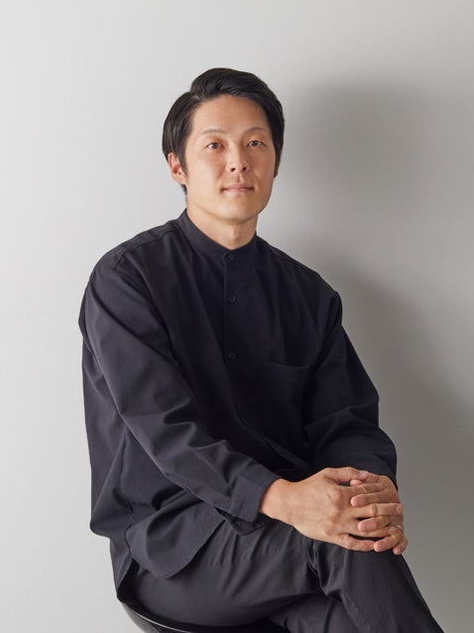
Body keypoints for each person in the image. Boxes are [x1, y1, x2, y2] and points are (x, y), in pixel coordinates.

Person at [79, 68, 443, 632]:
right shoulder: (127, 280)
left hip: (289, 541)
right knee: (345, 544)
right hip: (174, 547)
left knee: (351, 580)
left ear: (275, 161)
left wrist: (368, 494)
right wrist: (285, 500)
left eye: (256, 144)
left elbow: (347, 424)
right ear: (177, 166)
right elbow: (167, 433)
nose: (239, 162)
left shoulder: (309, 295)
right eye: (215, 145)